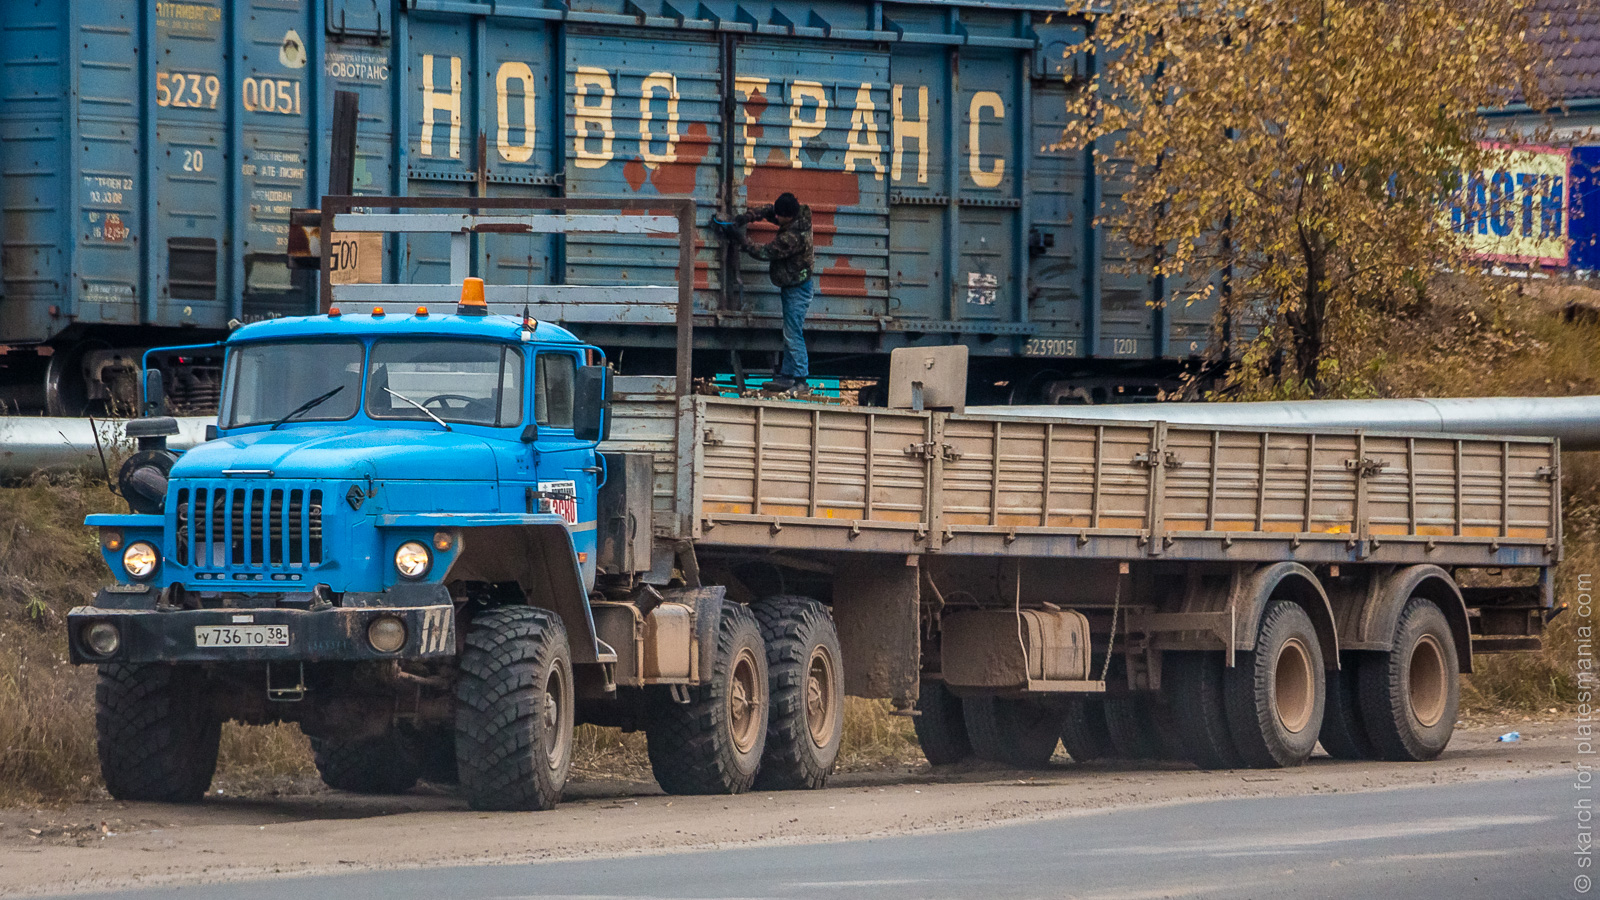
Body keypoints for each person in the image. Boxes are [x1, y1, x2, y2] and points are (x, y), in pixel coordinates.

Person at [730, 192, 814, 393]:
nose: (776, 217)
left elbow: (765, 252)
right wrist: (749, 216)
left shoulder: (793, 237)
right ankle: (787, 376)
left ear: (788, 216)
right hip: (794, 285)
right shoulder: (798, 215)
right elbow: (770, 210)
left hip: (797, 289)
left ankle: (801, 381)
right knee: (790, 332)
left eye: (779, 216)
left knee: (793, 334)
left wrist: (742, 241)